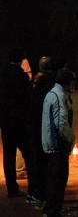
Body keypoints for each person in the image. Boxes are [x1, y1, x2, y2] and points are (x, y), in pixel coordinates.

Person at [42, 68, 75, 217]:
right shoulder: (59, 96)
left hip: (51, 145)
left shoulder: (51, 93)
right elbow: (61, 124)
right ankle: (52, 212)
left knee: (53, 181)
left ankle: (51, 210)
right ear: (68, 82)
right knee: (57, 183)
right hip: (57, 146)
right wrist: (71, 138)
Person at [0, 47, 31, 198]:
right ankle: (34, 187)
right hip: (19, 120)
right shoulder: (22, 76)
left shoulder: (2, 74)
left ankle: (12, 188)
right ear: (21, 60)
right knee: (29, 154)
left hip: (5, 120)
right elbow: (27, 99)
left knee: (8, 156)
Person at [25, 56, 56, 209]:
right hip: (45, 126)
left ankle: (35, 194)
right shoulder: (52, 82)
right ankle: (45, 198)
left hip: (33, 125)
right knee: (48, 163)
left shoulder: (36, 81)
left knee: (36, 160)